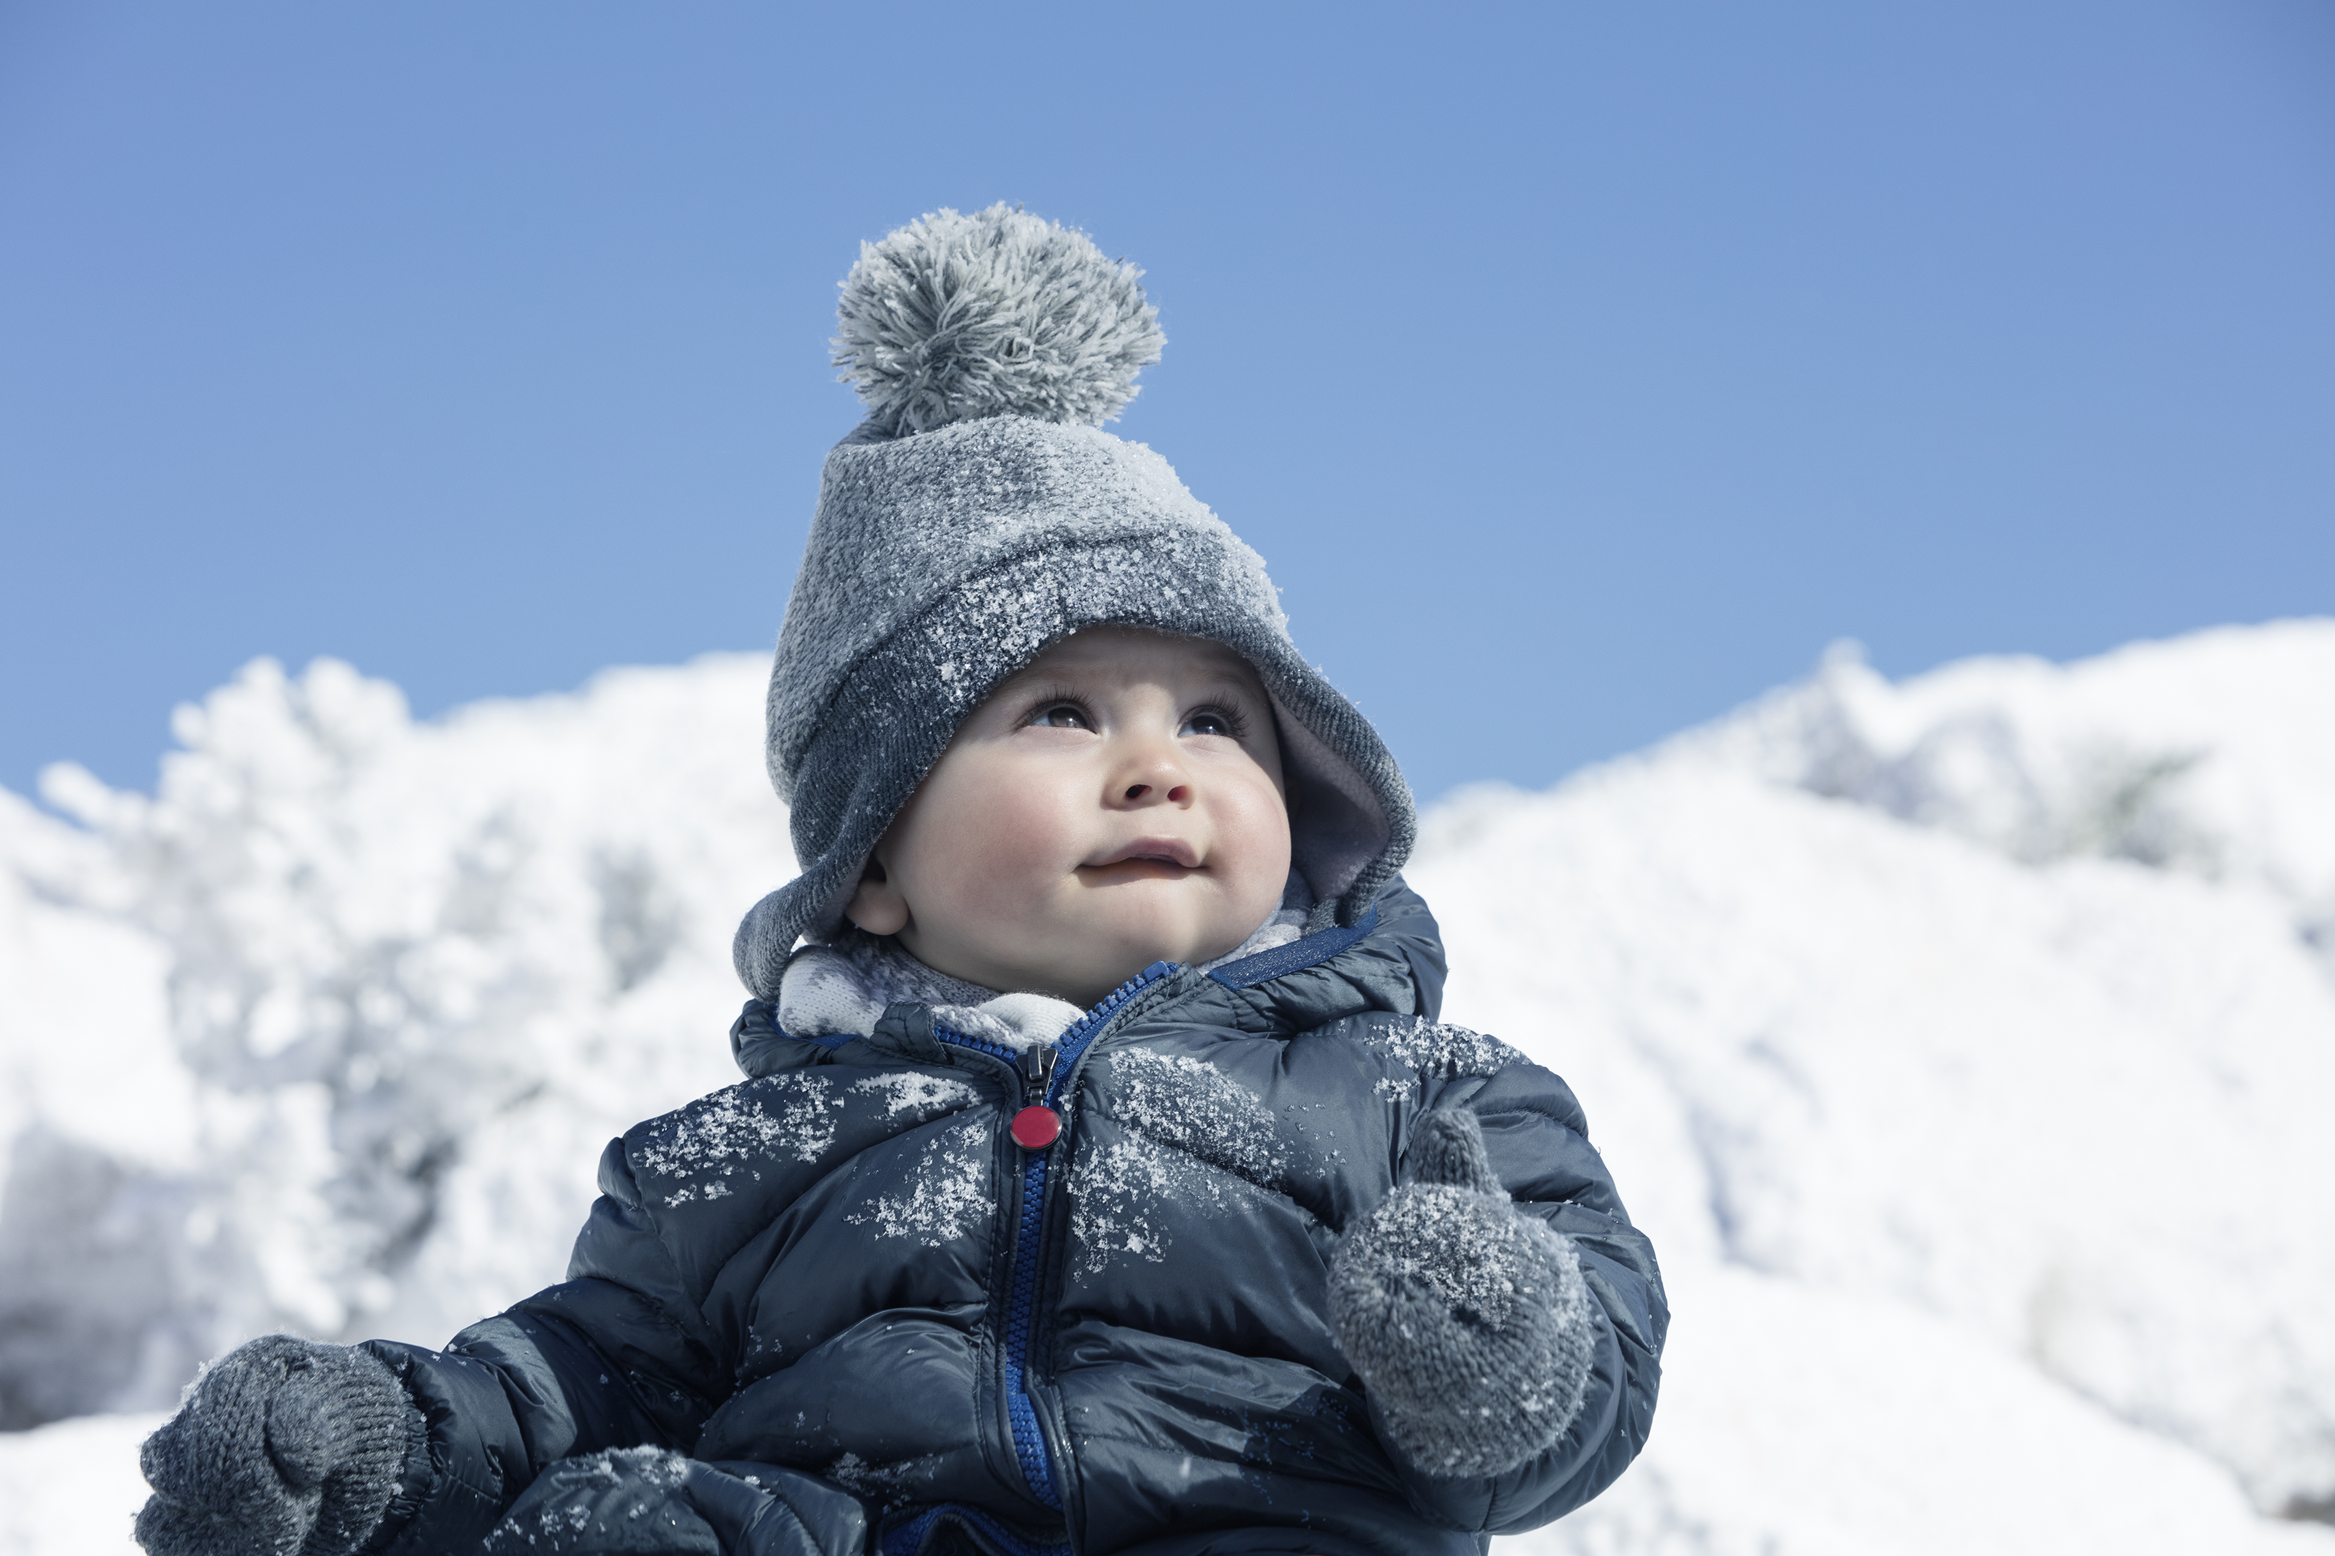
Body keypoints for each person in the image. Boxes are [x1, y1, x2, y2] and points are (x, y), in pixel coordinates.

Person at [134, 205, 1666, 1556]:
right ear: (872, 862)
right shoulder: (739, 1160)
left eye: (1213, 718)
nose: (1156, 764)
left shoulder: (1415, 1092)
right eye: (1061, 714)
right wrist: (379, 1452)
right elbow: (566, 1382)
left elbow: (1585, 1380)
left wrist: (1500, 1342)